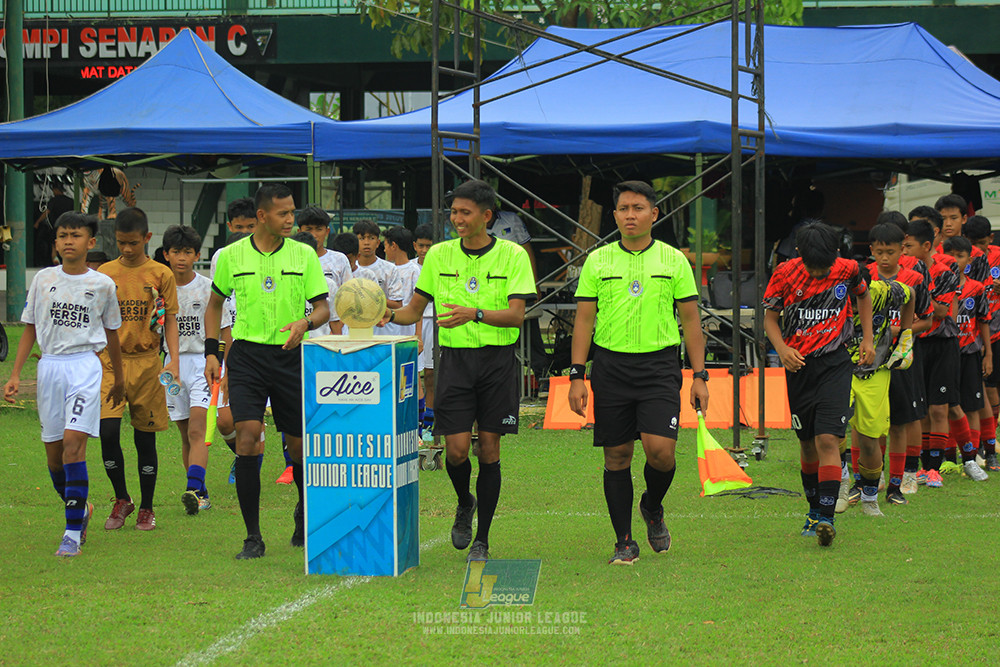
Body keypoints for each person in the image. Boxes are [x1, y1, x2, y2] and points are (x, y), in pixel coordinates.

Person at [379, 179, 535, 562]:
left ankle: (482, 539)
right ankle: (465, 501)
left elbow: (517, 316)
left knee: (490, 449)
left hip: (498, 362)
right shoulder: (439, 256)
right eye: (454, 212)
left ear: (486, 216)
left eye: (465, 212)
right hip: (454, 362)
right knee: (456, 450)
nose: (457, 219)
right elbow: (413, 311)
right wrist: (386, 313)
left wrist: (475, 314)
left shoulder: (513, 256)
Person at [567, 180, 709, 565]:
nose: (630, 215)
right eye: (623, 209)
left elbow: (692, 321)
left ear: (654, 214)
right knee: (617, 455)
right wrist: (577, 374)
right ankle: (623, 541)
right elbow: (584, 320)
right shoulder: (598, 261)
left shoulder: (673, 260)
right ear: (614, 215)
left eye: (638, 208)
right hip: (611, 368)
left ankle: (653, 505)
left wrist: (700, 375)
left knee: (661, 453)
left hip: (660, 366)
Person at [204, 183, 329, 560]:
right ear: (262, 216)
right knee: (247, 435)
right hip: (246, 357)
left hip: (291, 358)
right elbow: (214, 306)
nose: (291, 219)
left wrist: (304, 324)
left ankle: (304, 511)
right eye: (283, 213)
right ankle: (253, 537)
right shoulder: (231, 255)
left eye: (292, 212)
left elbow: (323, 307)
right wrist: (213, 353)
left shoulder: (304, 255)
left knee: (298, 446)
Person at [3, 212, 125, 556]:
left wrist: (118, 377)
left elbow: (112, 334)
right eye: (62, 235)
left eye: (75, 235)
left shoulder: (102, 285)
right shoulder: (43, 279)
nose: (68, 240)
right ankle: (80, 508)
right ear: (55, 242)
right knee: (55, 458)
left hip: (85, 366)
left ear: (91, 242)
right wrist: (15, 375)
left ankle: (71, 534)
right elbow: (29, 327)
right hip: (50, 369)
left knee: (74, 444)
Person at [764, 222, 873, 547]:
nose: (818, 273)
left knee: (828, 439)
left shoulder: (849, 269)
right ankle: (813, 510)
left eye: (824, 267)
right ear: (799, 254)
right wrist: (782, 350)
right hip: (798, 367)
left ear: (835, 254)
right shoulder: (784, 274)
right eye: (813, 268)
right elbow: (769, 317)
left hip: (835, 364)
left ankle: (827, 517)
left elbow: (863, 298)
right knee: (808, 443)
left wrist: (867, 338)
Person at [98, 207, 180, 531]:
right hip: (110, 362)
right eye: (121, 243)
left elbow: (170, 319)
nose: (127, 249)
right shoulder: (104, 273)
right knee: (107, 433)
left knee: (145, 442)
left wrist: (172, 359)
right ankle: (122, 499)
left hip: (147, 363)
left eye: (133, 242)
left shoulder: (161, 274)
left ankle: (146, 507)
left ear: (147, 238)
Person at [863, 222, 931, 504]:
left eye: (890, 252)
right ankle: (872, 475)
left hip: (901, 359)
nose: (885, 258)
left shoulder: (914, 279)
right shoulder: (863, 277)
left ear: (902, 250)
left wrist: (901, 332)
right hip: (870, 360)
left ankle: (903, 477)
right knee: (870, 422)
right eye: (879, 252)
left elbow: (927, 320)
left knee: (901, 421)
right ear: (871, 251)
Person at [843, 258, 914, 517]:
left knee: (872, 439)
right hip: (839, 371)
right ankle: (840, 485)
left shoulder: (882, 291)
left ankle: (869, 497)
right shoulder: (832, 295)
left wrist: (905, 337)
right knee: (833, 434)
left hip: (875, 372)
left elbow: (911, 293)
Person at [903, 219, 964, 489]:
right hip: (916, 342)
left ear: (926, 246)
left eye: (908, 246)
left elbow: (940, 311)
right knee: (920, 409)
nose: (903, 252)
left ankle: (934, 468)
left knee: (939, 407)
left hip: (941, 343)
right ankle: (919, 466)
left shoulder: (944, 272)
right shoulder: (902, 272)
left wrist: (918, 288)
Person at [161, 225, 215, 514]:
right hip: (171, 366)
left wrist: (220, 362)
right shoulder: (158, 288)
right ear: (166, 254)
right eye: (176, 252)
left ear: (196, 255)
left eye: (187, 252)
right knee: (184, 432)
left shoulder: (207, 288)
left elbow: (223, 330)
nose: (181, 257)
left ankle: (193, 488)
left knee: (197, 428)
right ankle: (201, 493)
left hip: (202, 363)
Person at [942, 235, 992, 481]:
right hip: (946, 353)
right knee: (948, 404)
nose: (954, 261)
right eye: (950, 256)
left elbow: (984, 321)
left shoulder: (977, 288)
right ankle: (949, 457)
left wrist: (988, 353)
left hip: (970, 353)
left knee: (972, 406)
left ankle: (971, 456)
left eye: (959, 256)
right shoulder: (938, 286)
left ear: (969, 260)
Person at [963, 215, 1000, 471]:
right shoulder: (964, 258)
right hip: (967, 338)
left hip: (991, 334)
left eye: (982, 243)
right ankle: (974, 450)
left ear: (991, 239)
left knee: (988, 390)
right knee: (980, 393)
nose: (979, 249)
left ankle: (989, 447)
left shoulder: (992, 256)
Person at [297, 205, 353, 336]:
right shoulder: (290, 260)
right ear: (300, 231)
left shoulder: (339, 259)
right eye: (309, 229)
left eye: (319, 229)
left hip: (331, 332)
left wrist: (336, 329)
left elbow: (348, 297)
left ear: (327, 231)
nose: (314, 235)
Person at [354, 220, 404, 325]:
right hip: (357, 330)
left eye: (371, 238)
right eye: (362, 238)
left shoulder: (390, 269)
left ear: (377, 243)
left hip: (385, 329)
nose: (366, 243)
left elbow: (398, 305)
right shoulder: (348, 269)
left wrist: (371, 298)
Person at [413, 224, 437, 439]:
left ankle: (429, 423)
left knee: (431, 373)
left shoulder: (439, 266)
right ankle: (416, 421)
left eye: (429, 246)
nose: (425, 250)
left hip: (434, 321)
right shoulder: (410, 268)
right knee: (413, 374)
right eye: (421, 246)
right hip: (413, 322)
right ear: (414, 246)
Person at [382, 226, 422, 340]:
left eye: (385, 246)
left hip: (408, 326)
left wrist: (418, 334)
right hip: (389, 326)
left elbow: (418, 305)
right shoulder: (386, 269)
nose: (384, 250)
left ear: (393, 246)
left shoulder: (413, 270)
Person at [210, 198, 257, 276]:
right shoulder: (220, 255)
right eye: (239, 227)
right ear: (230, 226)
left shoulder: (268, 253)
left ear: (260, 224)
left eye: (251, 226)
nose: (245, 231)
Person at [34, 182, 74, 266]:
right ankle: (66, 262)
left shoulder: (54, 200)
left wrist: (37, 222)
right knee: (67, 247)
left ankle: (56, 262)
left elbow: (47, 212)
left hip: (56, 228)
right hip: (69, 228)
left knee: (54, 248)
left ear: (55, 190)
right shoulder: (70, 201)